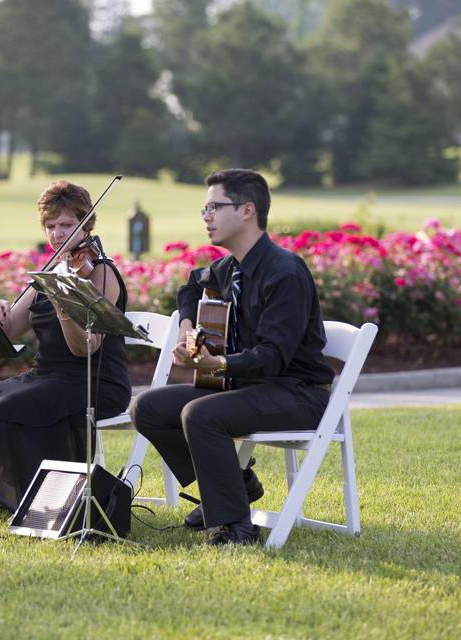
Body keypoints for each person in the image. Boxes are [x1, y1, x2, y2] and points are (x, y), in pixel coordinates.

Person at [130, 168, 335, 545]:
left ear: (247, 210)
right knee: (147, 408)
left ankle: (237, 527)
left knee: (201, 413)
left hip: (297, 394)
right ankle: (234, 484)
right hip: (246, 388)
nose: (206, 216)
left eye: (214, 206)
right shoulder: (229, 268)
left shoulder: (285, 272)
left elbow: (273, 356)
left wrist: (218, 364)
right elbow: (189, 286)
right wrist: (187, 330)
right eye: (204, 208)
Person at [0, 180, 131, 513]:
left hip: (93, 381)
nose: (58, 234)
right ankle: (14, 495)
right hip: (47, 376)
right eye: (51, 226)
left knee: (9, 410)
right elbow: (11, 327)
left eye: (67, 225)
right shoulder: (52, 272)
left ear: (86, 225)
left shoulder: (101, 273)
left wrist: (64, 309)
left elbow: (85, 349)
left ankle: (44, 502)